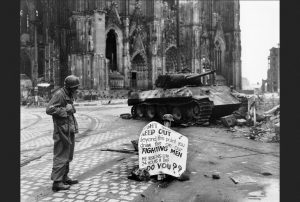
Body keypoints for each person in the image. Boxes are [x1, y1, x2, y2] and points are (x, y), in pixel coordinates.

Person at [46, 75, 80, 191]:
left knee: (68, 154)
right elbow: (49, 109)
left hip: (68, 128)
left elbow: (71, 109)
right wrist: (66, 110)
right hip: (61, 130)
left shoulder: (68, 94)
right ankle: (57, 182)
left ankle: (64, 177)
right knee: (61, 155)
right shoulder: (59, 94)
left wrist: (71, 109)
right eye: (75, 88)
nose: (76, 90)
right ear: (69, 87)